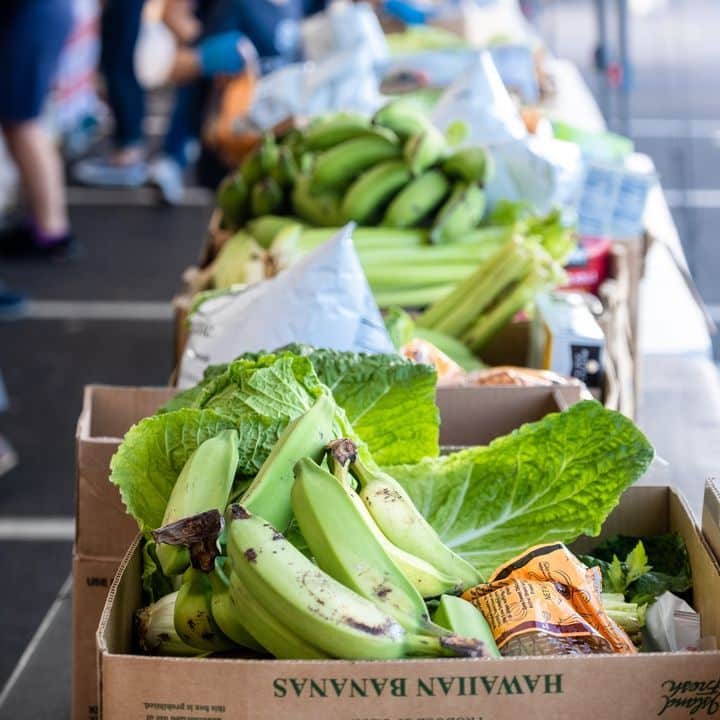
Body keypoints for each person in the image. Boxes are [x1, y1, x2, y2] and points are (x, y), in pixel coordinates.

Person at [75, 0, 325, 203]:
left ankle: (172, 159)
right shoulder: (234, 8)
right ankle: (172, 157)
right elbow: (178, 60)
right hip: (235, 142)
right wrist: (210, 56)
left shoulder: (308, 6)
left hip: (288, 136)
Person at [0, 0, 74, 259]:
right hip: (37, 18)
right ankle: (49, 227)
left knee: (23, 125)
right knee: (23, 125)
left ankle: (50, 228)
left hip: (30, 20)